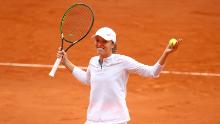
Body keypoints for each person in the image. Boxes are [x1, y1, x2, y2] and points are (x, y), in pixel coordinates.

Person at [57, 27, 182, 124]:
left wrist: (166, 53)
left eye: (104, 41)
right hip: (93, 119)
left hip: (116, 120)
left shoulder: (122, 61)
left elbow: (152, 72)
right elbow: (87, 80)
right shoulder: (93, 61)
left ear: (112, 44)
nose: (99, 44)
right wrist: (66, 62)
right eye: (97, 40)